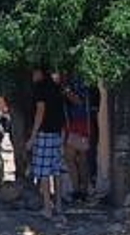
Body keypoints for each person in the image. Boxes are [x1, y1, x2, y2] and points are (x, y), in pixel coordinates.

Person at [26, 68, 66, 219]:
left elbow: (40, 111)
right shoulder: (56, 87)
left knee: (43, 172)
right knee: (56, 170)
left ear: (40, 73)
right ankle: (59, 206)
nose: (32, 75)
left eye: (34, 72)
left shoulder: (40, 88)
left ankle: (47, 208)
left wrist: (33, 136)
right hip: (57, 133)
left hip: (45, 134)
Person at [62, 73, 92, 201]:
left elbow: (79, 101)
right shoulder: (77, 77)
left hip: (79, 123)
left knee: (76, 158)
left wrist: (66, 90)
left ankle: (81, 190)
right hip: (74, 123)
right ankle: (79, 190)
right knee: (74, 158)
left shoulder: (78, 79)